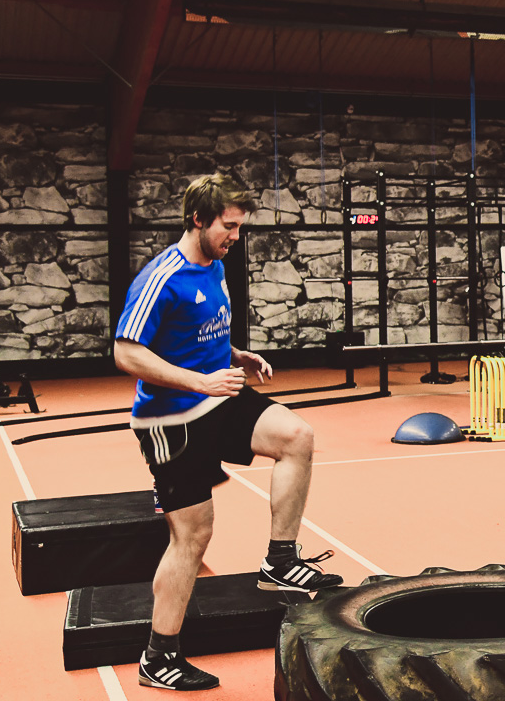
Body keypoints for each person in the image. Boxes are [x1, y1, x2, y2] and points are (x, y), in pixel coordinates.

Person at [113, 174, 342, 692]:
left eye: (239, 227)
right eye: (229, 226)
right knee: (192, 537)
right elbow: (126, 352)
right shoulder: (161, 277)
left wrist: (236, 356)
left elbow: (197, 333)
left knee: (296, 436)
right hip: (172, 421)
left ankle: (280, 561)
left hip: (219, 396)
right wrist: (201, 379)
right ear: (198, 219)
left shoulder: (214, 267)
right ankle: (159, 656)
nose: (235, 237)